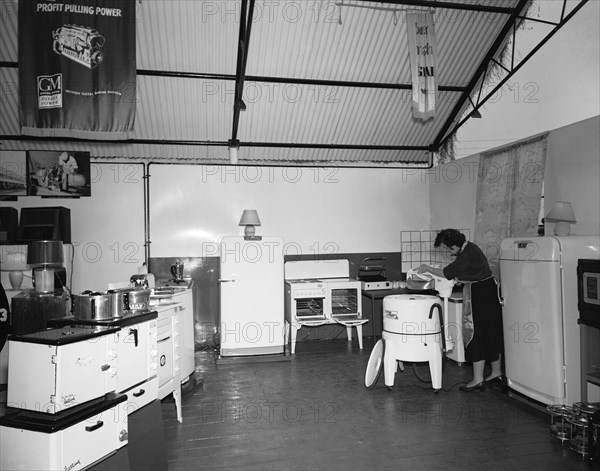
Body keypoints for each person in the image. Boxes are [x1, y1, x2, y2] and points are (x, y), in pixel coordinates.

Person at [415, 228, 503, 392]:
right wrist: (460, 278)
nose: (448, 253)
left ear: (455, 245)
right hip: (488, 292)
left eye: (448, 249)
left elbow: (446, 273)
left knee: (475, 333)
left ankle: (478, 379)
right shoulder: (471, 248)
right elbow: (469, 272)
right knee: (491, 332)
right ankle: (496, 372)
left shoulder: (466, 254)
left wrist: (427, 268)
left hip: (479, 295)